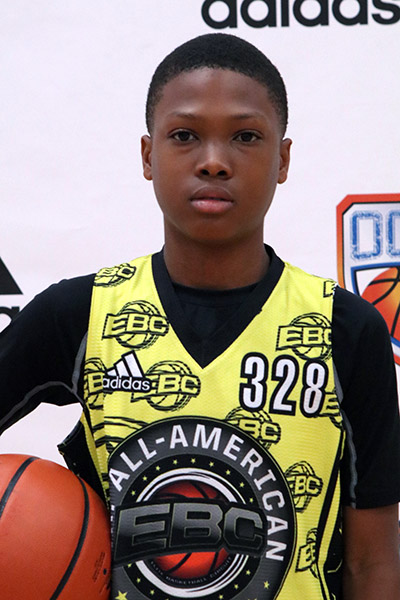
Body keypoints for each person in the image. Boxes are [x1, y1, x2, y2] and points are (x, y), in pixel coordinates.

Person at [1, 33, 400, 599]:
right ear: (148, 156)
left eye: (245, 136)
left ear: (283, 159)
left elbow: (372, 562)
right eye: (185, 135)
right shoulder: (82, 314)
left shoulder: (345, 329)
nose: (214, 162)